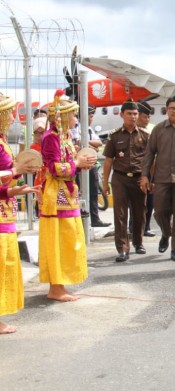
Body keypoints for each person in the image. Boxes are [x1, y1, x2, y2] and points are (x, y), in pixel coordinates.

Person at [39, 96, 96, 301]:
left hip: (67, 193)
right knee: (58, 239)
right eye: (73, 115)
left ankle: (60, 283)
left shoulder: (65, 137)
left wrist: (81, 163)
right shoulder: (50, 138)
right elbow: (54, 169)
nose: (75, 119)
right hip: (56, 195)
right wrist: (77, 163)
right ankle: (55, 286)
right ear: (63, 117)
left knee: (68, 239)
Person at [0, 92, 39, 334]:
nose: (15, 116)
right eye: (12, 111)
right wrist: (15, 169)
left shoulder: (2, 141)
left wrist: (15, 190)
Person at [140, 96, 175, 263]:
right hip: (161, 178)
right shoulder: (159, 129)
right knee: (160, 211)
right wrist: (145, 175)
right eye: (171, 108)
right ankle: (166, 234)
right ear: (166, 110)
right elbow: (149, 153)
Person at [102, 99, 150, 262]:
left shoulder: (145, 135)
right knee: (120, 214)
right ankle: (122, 248)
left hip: (139, 178)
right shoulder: (114, 136)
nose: (132, 117)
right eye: (129, 114)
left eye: (135, 114)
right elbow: (108, 160)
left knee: (139, 212)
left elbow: (151, 159)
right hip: (120, 178)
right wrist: (105, 182)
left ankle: (138, 242)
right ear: (122, 115)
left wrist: (149, 178)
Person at [86, 106, 110, 228]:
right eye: (90, 116)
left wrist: (87, 143)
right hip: (83, 165)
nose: (91, 119)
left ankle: (95, 219)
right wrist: (90, 145)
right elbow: (78, 143)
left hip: (92, 164)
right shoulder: (76, 128)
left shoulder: (89, 130)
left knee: (94, 192)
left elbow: (99, 143)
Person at [136, 100, 155, 237]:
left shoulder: (151, 131)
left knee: (149, 202)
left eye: (149, 117)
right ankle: (133, 227)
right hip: (134, 172)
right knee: (135, 204)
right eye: (144, 116)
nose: (147, 120)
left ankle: (146, 226)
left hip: (149, 172)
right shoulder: (128, 131)